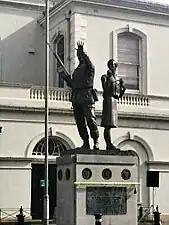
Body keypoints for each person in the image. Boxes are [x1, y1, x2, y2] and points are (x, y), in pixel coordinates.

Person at [62, 41, 99, 150]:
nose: (78, 56)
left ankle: (96, 140)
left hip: (87, 96)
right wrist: (68, 80)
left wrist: (82, 51)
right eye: (78, 54)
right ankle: (85, 142)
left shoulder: (88, 67)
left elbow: (90, 65)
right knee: (80, 122)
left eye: (80, 54)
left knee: (90, 120)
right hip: (77, 96)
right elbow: (74, 84)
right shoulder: (77, 70)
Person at [101, 59, 125, 150]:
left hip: (114, 101)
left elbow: (119, 94)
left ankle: (109, 144)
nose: (115, 67)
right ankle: (108, 144)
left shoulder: (117, 79)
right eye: (113, 65)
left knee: (111, 124)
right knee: (107, 124)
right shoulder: (105, 77)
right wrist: (110, 78)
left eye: (115, 65)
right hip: (108, 100)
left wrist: (123, 88)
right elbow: (106, 89)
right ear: (109, 66)